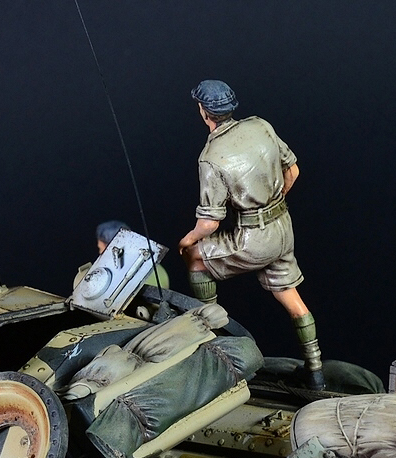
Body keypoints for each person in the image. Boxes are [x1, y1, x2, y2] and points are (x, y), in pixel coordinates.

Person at [177, 79, 324, 389]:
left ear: (203, 112)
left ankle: (214, 346)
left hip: (253, 239)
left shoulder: (210, 157)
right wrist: (272, 203)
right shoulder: (260, 125)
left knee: (196, 258)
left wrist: (187, 240)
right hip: (282, 229)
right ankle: (316, 371)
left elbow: (210, 223)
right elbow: (293, 171)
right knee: (292, 299)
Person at [74, 220, 169, 292]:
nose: (100, 253)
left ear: (111, 247)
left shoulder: (113, 275)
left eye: (101, 248)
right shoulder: (158, 268)